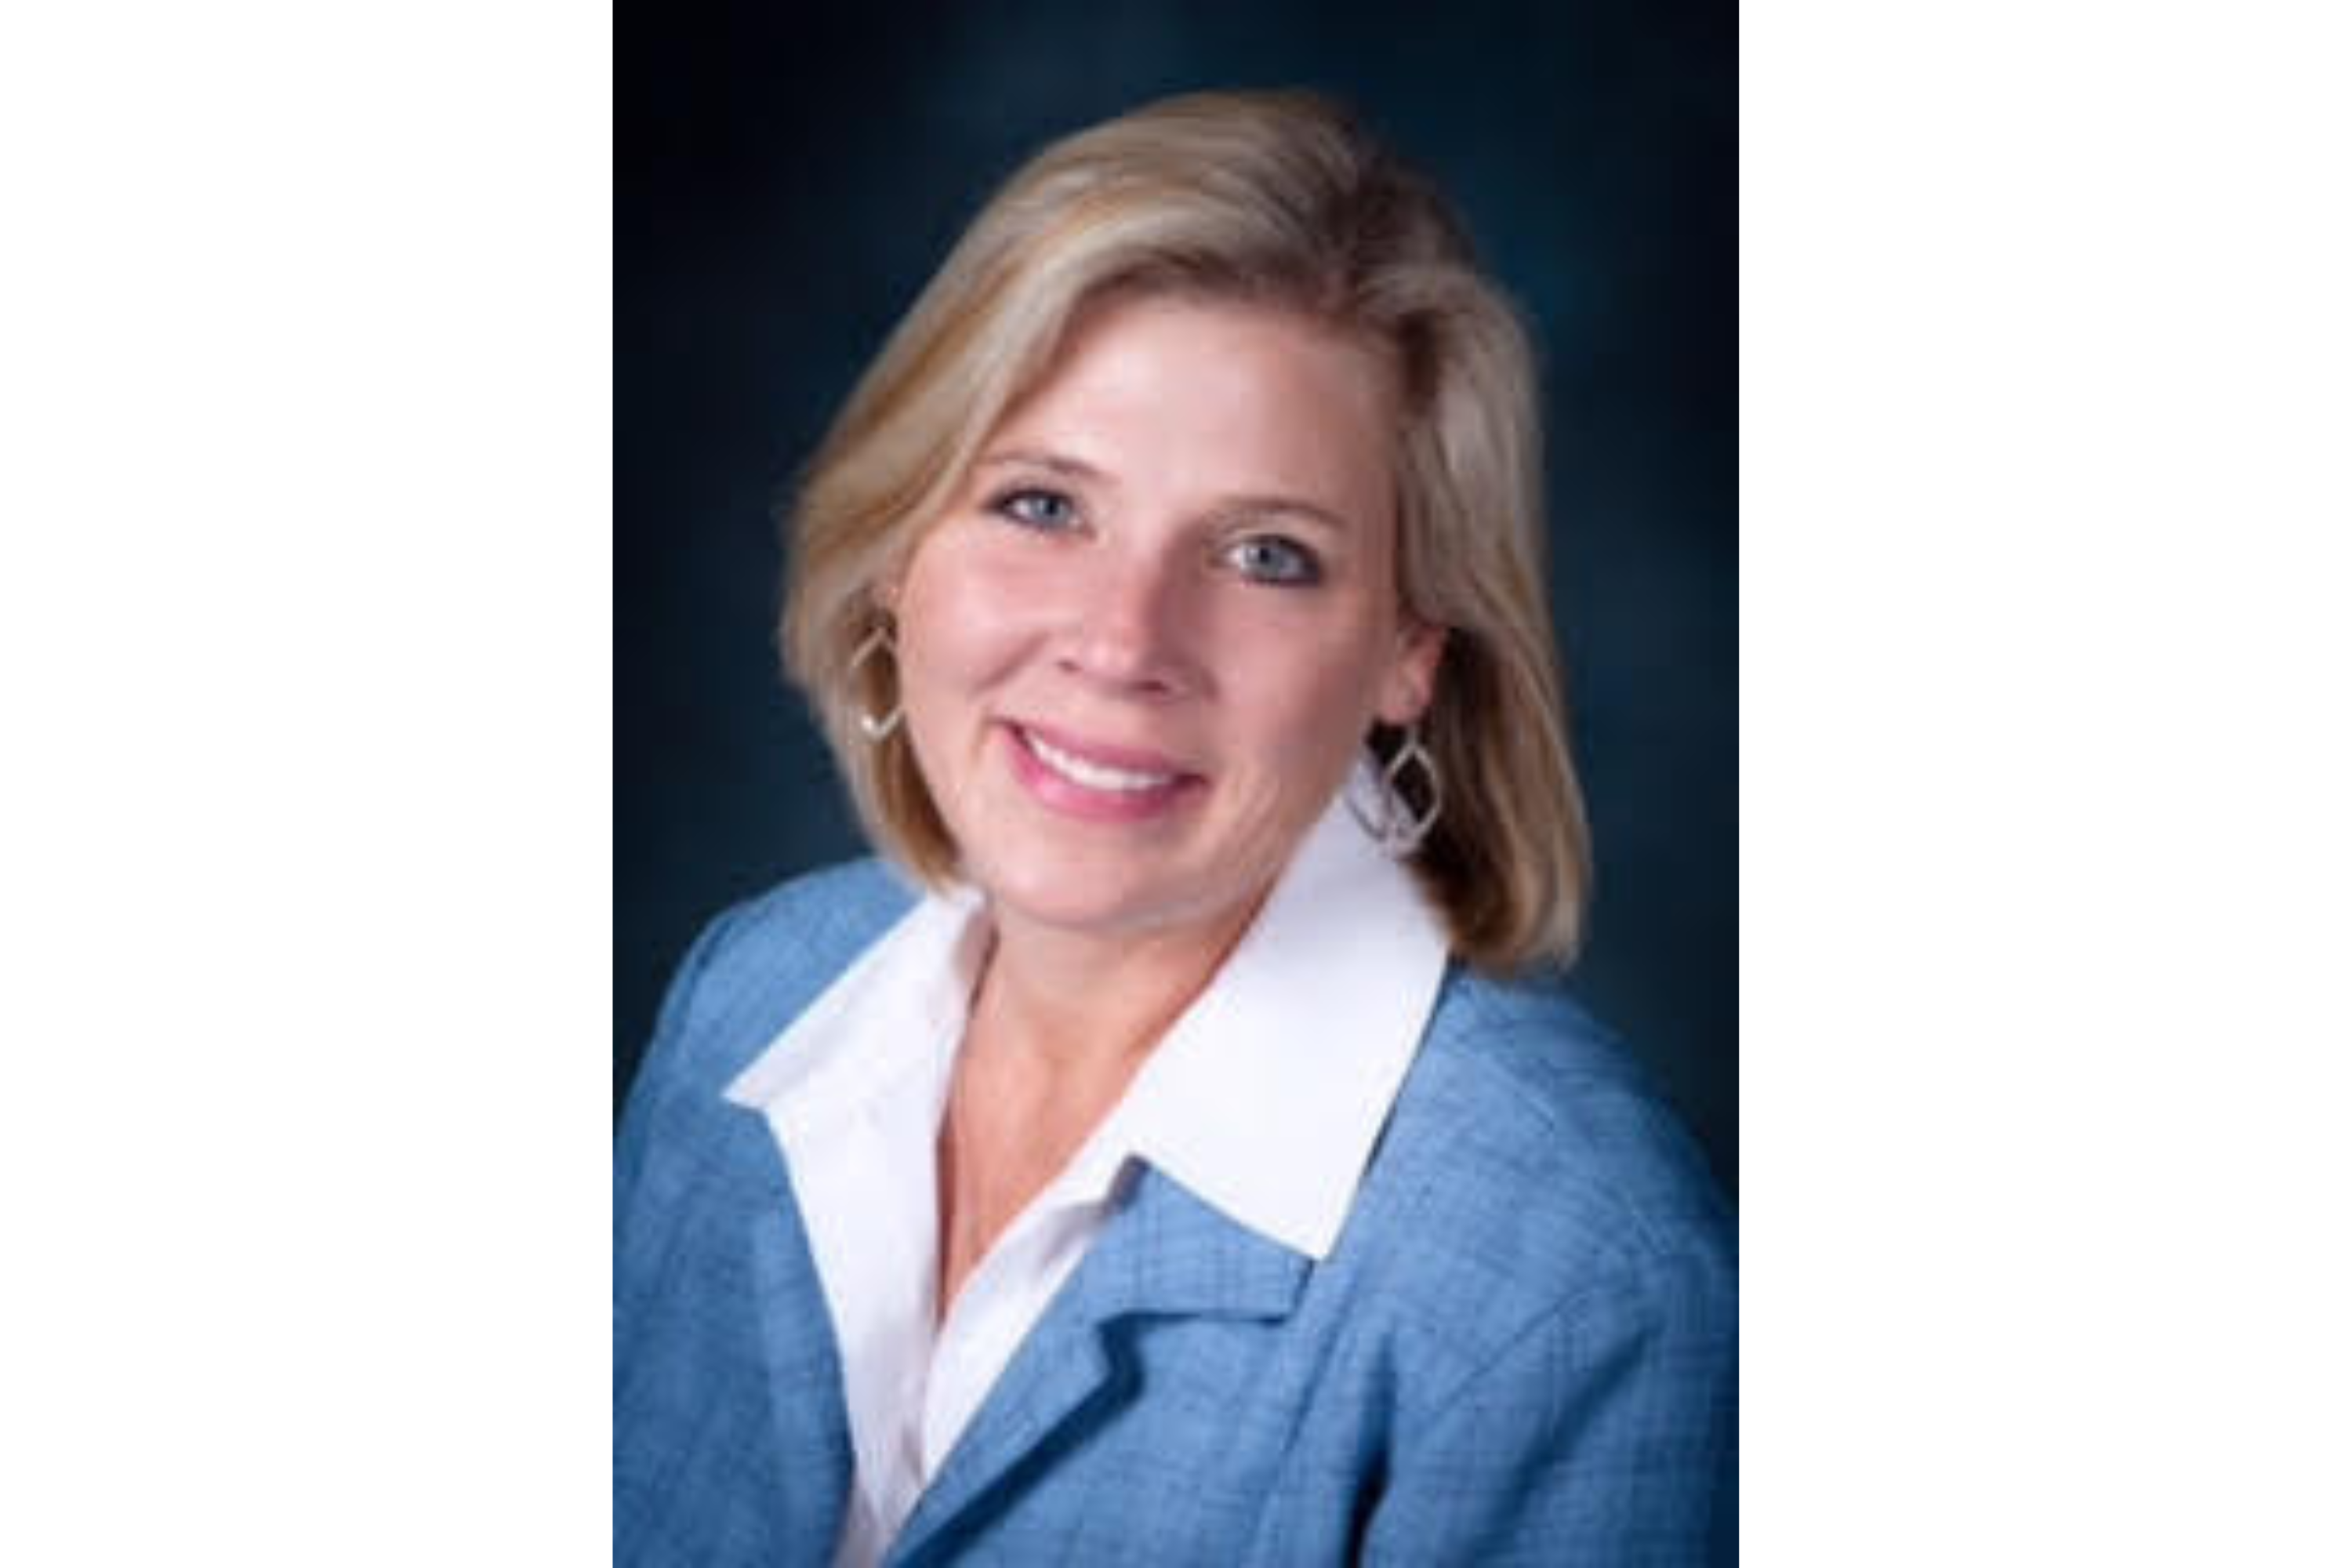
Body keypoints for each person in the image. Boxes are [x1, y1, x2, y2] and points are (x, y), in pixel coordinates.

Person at [615, 89, 1733, 1566]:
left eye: (1268, 556)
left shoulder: (1579, 1281)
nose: (1124, 640)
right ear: (898, 548)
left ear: (1410, 646)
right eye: (1041, 506)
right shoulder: (752, 996)